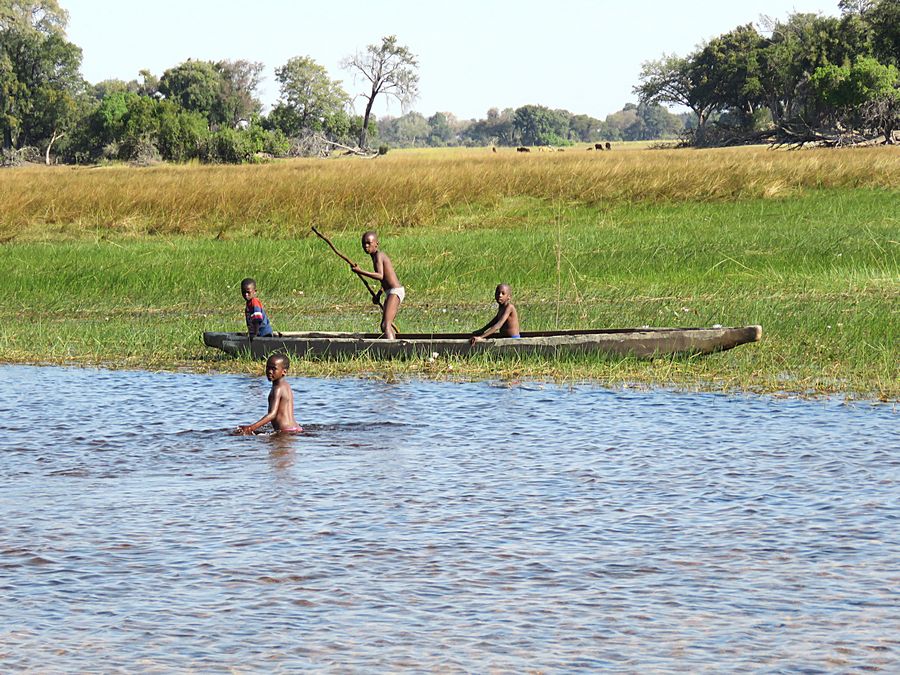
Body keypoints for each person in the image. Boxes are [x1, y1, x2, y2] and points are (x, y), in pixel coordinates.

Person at [350, 231, 403, 340]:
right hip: (390, 291)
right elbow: (385, 280)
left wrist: (361, 271)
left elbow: (380, 276)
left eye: (369, 243)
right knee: (385, 325)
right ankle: (394, 343)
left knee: (385, 325)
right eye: (364, 243)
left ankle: (392, 350)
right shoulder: (374, 257)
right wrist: (379, 294)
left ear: (376, 244)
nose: (366, 246)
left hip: (395, 291)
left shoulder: (379, 255)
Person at [237, 354, 302, 434]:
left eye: (274, 369)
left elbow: (272, 414)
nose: (269, 372)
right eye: (268, 368)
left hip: (285, 431)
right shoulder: (286, 385)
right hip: (294, 428)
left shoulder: (277, 389)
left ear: (284, 372)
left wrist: (251, 428)